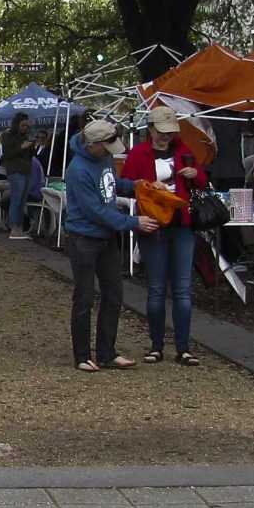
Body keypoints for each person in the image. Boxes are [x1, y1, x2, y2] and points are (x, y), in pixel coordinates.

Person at [63, 115, 157, 371]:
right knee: (83, 298)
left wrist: (134, 185)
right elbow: (96, 210)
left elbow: (111, 186)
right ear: (94, 144)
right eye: (107, 146)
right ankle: (82, 355)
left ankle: (107, 351)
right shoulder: (77, 171)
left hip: (105, 237)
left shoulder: (102, 158)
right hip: (84, 237)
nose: (110, 152)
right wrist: (133, 222)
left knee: (114, 295)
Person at [120, 109, 208, 364]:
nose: (165, 138)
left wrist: (195, 174)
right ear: (150, 129)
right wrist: (147, 184)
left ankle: (183, 347)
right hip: (153, 224)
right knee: (157, 288)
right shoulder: (138, 153)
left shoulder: (184, 151)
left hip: (182, 224)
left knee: (182, 289)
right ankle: (156, 345)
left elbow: (202, 180)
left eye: (169, 133)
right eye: (161, 132)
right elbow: (126, 183)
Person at [1, 114, 40, 240]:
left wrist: (33, 145)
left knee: (22, 200)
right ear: (16, 124)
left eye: (26, 125)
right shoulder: (7, 135)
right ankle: (14, 228)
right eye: (23, 125)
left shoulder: (26, 136)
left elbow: (32, 155)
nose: (25, 127)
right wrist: (21, 147)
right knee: (16, 199)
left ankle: (19, 227)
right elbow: (7, 154)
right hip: (15, 170)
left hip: (26, 170)